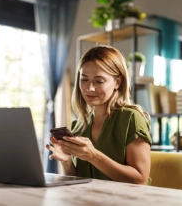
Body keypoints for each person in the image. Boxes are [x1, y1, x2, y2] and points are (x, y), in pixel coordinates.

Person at [46, 45, 152, 184]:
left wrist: (94, 156)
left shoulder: (131, 118)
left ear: (117, 82)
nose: (89, 88)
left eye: (99, 81)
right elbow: (79, 177)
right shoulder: (79, 125)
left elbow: (140, 180)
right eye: (84, 79)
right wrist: (67, 161)